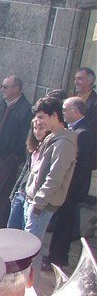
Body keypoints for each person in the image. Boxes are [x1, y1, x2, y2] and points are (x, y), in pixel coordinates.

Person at [22, 97, 77, 279]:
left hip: (41, 205)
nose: (39, 122)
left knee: (30, 253)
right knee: (27, 250)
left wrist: (37, 204)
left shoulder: (64, 142)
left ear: (54, 115)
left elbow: (55, 178)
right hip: (34, 201)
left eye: (41, 117)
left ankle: (29, 291)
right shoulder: (53, 137)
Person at [47, 96, 95, 269]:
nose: (63, 113)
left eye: (65, 109)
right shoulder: (73, 129)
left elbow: (80, 165)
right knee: (60, 222)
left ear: (76, 111)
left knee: (64, 224)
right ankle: (54, 255)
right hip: (66, 187)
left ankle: (58, 259)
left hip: (71, 189)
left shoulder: (83, 133)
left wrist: (66, 186)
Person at [0, 75, 33, 229]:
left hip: (8, 156)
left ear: (16, 89)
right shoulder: (4, 104)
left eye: (5, 87)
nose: (2, 90)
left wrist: (15, 154)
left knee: (4, 191)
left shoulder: (25, 108)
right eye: (2, 86)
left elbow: (24, 134)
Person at [7, 117, 48, 230]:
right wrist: (15, 191)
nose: (37, 131)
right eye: (35, 128)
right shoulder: (33, 147)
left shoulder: (49, 149)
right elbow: (25, 171)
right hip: (21, 193)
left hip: (33, 198)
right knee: (11, 230)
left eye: (41, 128)